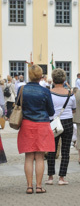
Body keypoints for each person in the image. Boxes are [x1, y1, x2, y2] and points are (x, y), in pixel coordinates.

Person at [17, 64, 55, 194]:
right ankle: (39, 186)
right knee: (39, 156)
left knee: (28, 156)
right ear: (40, 76)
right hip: (42, 124)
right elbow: (51, 111)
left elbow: (17, 106)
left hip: (27, 124)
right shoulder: (45, 91)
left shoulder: (22, 89)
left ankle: (29, 186)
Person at [46, 68, 76, 186]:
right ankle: (62, 177)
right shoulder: (70, 94)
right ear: (64, 80)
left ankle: (50, 177)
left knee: (51, 150)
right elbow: (74, 109)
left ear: (53, 80)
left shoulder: (49, 93)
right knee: (65, 150)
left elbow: (47, 109)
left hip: (53, 122)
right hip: (68, 122)